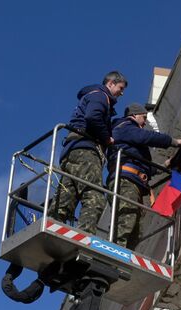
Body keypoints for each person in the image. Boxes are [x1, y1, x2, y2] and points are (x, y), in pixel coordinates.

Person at [52, 71, 127, 234]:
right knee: (94, 196)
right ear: (111, 83)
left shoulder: (93, 96)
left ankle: (53, 225)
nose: (121, 93)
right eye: (120, 88)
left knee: (67, 196)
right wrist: (107, 138)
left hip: (72, 150)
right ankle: (85, 234)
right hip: (85, 150)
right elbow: (93, 117)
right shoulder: (100, 96)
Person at [107, 103, 181, 248]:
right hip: (126, 181)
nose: (144, 123)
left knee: (135, 228)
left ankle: (122, 256)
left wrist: (164, 165)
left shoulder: (129, 136)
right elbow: (146, 137)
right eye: (143, 117)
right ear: (134, 115)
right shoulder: (124, 127)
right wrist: (173, 142)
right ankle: (113, 251)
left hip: (132, 181)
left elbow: (143, 167)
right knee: (126, 218)